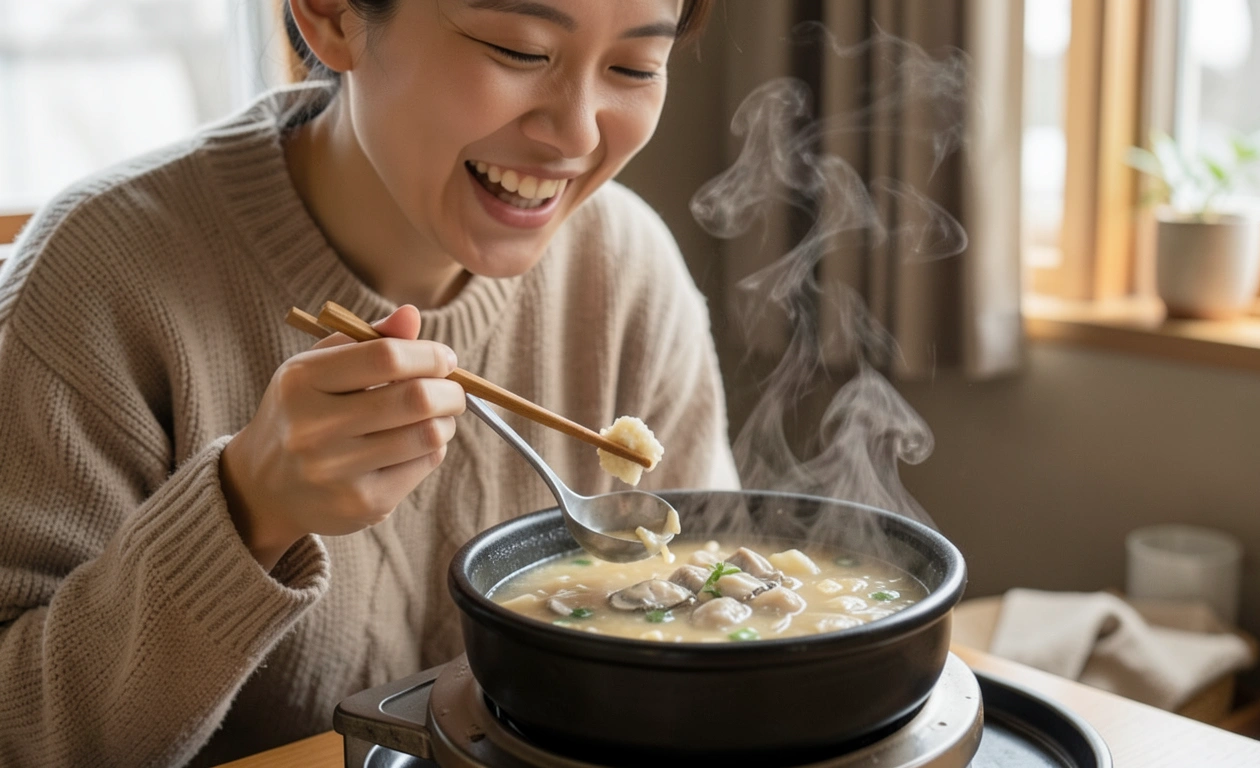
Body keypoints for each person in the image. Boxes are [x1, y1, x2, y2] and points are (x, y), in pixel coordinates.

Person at [0, 0, 736, 764]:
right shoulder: (97, 280)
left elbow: (704, 656)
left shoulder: (627, 273)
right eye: (518, 50)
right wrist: (245, 512)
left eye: (633, 68)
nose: (579, 134)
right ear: (329, 15)